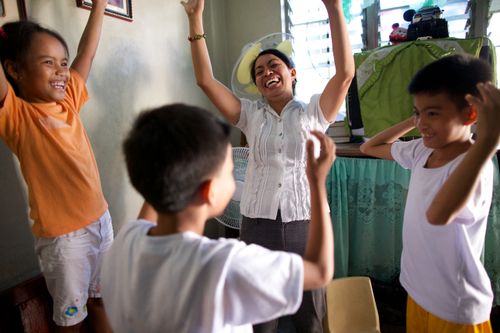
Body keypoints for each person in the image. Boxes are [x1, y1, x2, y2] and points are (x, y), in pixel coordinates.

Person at [181, 0, 354, 331]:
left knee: (310, 316)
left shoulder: (314, 112)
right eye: (258, 71)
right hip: (257, 225)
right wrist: (195, 19)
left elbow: (345, 74)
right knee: (261, 316)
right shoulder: (249, 115)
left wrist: (333, 8)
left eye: (273, 65)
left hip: (307, 221)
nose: (266, 73)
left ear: (292, 73)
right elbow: (205, 80)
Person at [100, 103, 336, 333]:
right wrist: (316, 183)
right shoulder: (224, 266)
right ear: (209, 192)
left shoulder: (125, 241)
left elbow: (152, 199)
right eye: (230, 170)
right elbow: (319, 271)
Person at [360, 54, 500, 332]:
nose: (423, 122)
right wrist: (414, 120)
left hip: (454, 304)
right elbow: (370, 147)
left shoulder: (475, 164)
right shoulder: (422, 150)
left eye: (433, 113)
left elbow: (437, 215)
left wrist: (487, 141)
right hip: (418, 289)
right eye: (418, 111)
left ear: (470, 113)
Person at [0, 1, 113, 332]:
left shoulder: (68, 100)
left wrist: (101, 5)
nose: (62, 71)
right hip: (65, 240)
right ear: (15, 70)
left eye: (62, 63)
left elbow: (87, 54)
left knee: (103, 299)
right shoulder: (17, 117)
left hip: (100, 221)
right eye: (48, 63)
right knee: (71, 316)